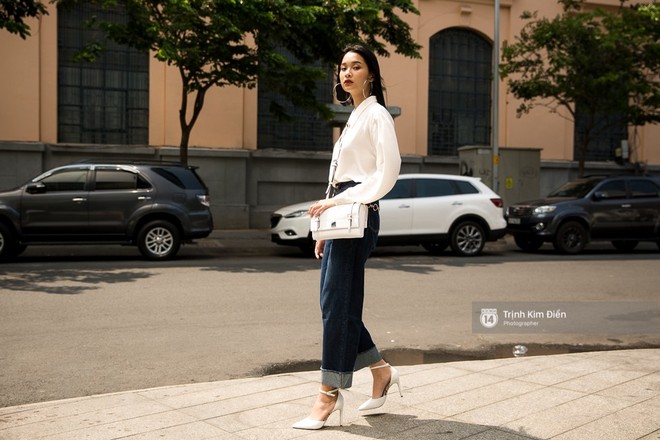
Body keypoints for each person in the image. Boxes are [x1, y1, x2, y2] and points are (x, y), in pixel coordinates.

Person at [292, 44, 402, 430]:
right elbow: (339, 177)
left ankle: (327, 396)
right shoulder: (354, 116)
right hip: (344, 218)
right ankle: (380, 369)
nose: (347, 72)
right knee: (335, 305)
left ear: (371, 73)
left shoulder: (377, 116)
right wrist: (326, 225)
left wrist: (343, 201)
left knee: (336, 304)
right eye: (342, 67)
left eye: (356, 66)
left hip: (361, 215)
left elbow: (387, 174)